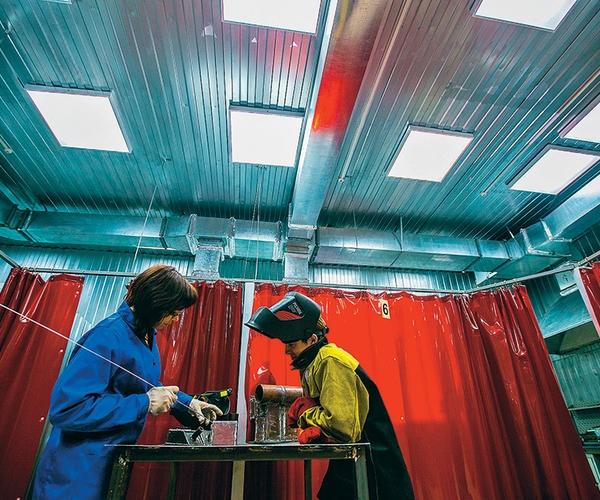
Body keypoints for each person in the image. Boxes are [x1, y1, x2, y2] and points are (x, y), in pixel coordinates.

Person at [32, 265, 222, 499]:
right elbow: (68, 409)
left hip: (108, 465)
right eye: (173, 313)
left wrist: (187, 404)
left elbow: (142, 382)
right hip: (75, 473)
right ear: (155, 304)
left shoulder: (145, 334)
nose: (175, 319)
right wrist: (144, 403)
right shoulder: (107, 336)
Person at [245, 291, 414, 500]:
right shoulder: (312, 364)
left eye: (292, 344)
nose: (286, 351)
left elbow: (341, 425)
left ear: (312, 339)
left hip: (374, 466)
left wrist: (305, 413)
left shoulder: (330, 361)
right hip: (350, 458)